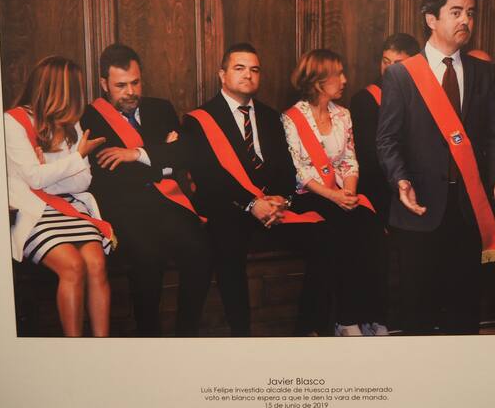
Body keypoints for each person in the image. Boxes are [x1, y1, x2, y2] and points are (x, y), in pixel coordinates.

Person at [146, 43, 330, 336]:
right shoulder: (199, 119)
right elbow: (208, 178)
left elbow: (286, 168)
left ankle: (309, 329)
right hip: (227, 208)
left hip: (272, 207)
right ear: (222, 75)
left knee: (324, 238)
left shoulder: (270, 116)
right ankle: (241, 336)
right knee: (227, 247)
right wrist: (251, 204)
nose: (248, 75)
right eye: (239, 68)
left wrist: (281, 199)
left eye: (254, 70)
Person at [376, 0, 495, 335]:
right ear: (431, 19)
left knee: (463, 311)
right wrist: (400, 180)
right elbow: (387, 140)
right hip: (419, 208)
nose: (465, 20)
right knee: (417, 314)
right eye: (456, 12)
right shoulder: (402, 75)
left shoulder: (483, 73)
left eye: (470, 12)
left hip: (469, 208)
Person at [80, 43, 211, 337]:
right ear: (104, 84)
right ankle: (148, 337)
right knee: (148, 258)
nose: (130, 92)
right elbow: (108, 177)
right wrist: (162, 156)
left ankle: (186, 336)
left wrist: (135, 154)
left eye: (135, 83)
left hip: (166, 203)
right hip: (123, 208)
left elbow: (187, 154)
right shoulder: (90, 118)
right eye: (121, 85)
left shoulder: (160, 108)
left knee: (201, 250)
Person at [282, 49, 387, 336]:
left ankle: (370, 315)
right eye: (337, 74)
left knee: (371, 227)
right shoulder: (292, 118)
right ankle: (345, 319)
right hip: (309, 196)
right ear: (318, 81)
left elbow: (349, 159)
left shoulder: (343, 115)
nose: (344, 80)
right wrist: (335, 197)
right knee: (342, 230)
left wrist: (349, 192)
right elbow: (300, 171)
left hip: (341, 192)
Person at [5, 56, 112, 337]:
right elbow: (35, 180)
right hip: (36, 213)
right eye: (76, 88)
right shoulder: (14, 121)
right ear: (59, 89)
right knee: (73, 266)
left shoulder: (71, 123)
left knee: (96, 264)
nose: (80, 95)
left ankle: (103, 347)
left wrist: (49, 171)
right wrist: (75, 159)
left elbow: (83, 181)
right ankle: (72, 348)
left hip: (71, 207)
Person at [350, 33, 420, 225]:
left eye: (397, 64)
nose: (389, 69)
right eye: (385, 62)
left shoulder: (423, 94)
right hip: (384, 187)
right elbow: (370, 158)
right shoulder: (365, 100)